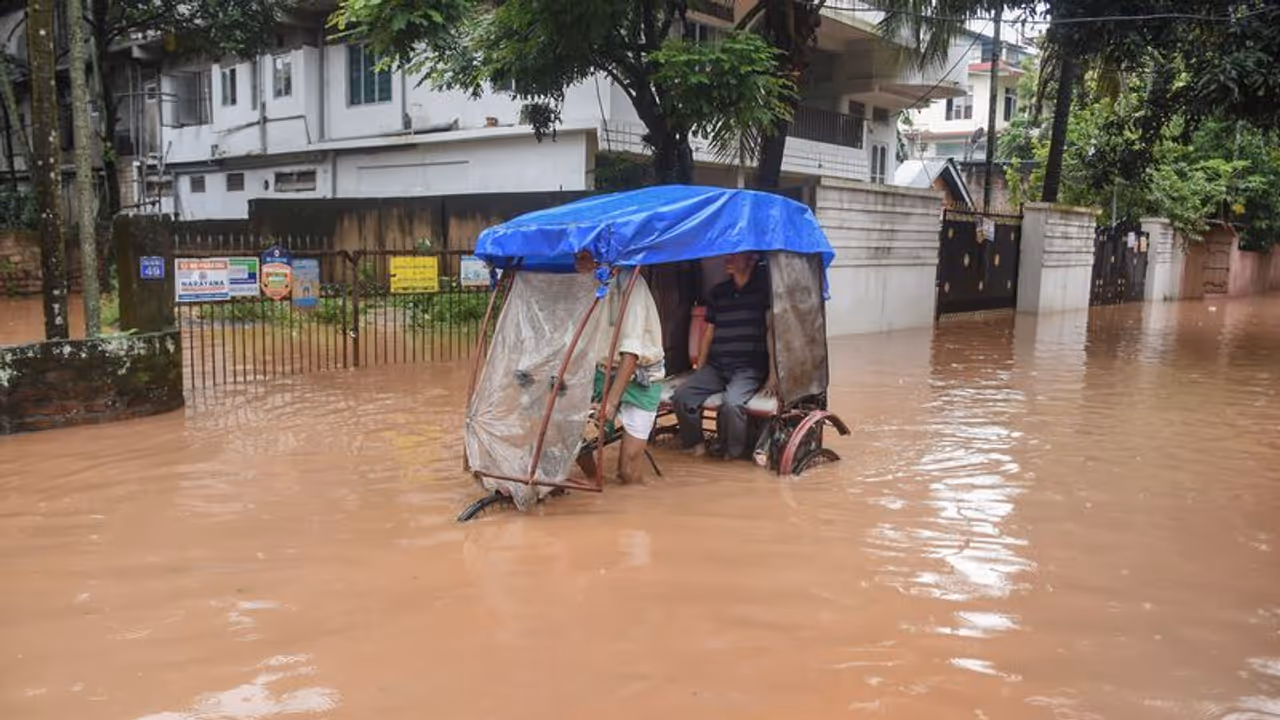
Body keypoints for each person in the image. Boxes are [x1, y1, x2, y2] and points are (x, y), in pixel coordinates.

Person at [574, 251, 665, 484]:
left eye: (582, 259)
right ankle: (596, 481)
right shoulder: (588, 286)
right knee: (575, 440)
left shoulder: (631, 283)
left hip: (641, 375)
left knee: (628, 473)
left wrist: (611, 402)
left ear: (598, 258)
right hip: (602, 370)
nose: (577, 265)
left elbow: (631, 352)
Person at [673, 252, 775, 460]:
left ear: (752, 259)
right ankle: (697, 445)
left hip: (748, 368)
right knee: (682, 396)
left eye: (735, 256)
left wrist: (772, 377)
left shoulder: (764, 294)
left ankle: (732, 453)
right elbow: (708, 334)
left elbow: (772, 333)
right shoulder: (718, 293)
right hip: (717, 367)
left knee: (732, 404)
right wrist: (699, 370)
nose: (727, 261)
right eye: (727, 256)